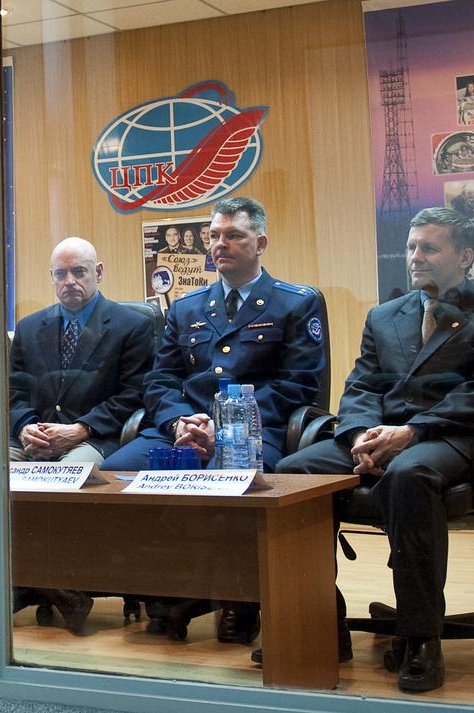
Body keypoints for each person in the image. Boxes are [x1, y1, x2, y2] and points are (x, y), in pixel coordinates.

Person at [275, 207, 474, 693]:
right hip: (379, 435)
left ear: (465, 256)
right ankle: (319, 620)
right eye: (412, 247)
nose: (415, 257)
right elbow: (361, 386)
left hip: (449, 437)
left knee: (408, 476)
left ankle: (420, 638)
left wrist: (410, 433)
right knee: (295, 471)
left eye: (429, 248)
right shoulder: (384, 315)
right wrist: (358, 436)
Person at [101, 196, 327, 642]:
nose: (220, 244)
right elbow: (160, 379)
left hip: (255, 432)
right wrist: (181, 423)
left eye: (233, 235)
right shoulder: (186, 307)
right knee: (115, 474)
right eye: (214, 236)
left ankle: (242, 600)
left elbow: (299, 386)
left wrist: (221, 428)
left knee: (237, 480)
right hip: (184, 430)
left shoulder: (296, 303)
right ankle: (164, 591)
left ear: (259, 242)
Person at [8, 236, 155, 635]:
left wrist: (81, 428)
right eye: (61, 273)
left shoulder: (133, 325)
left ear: (99, 273)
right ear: (51, 278)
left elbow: (137, 394)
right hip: (33, 436)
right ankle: (24, 578)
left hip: (96, 434)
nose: (69, 280)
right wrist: (25, 426)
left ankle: (68, 583)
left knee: (66, 481)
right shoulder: (29, 326)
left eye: (79, 271)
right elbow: (14, 391)